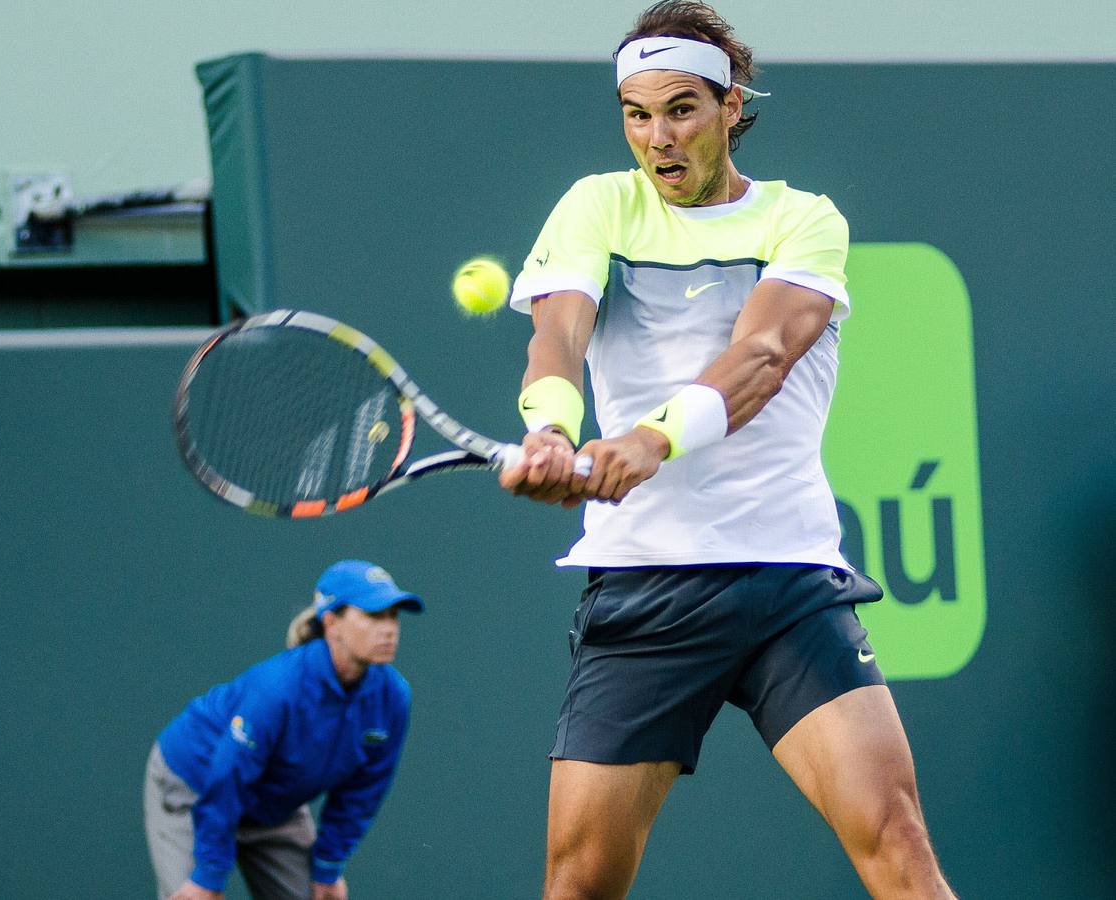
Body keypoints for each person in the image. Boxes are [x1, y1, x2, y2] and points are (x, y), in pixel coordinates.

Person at [499, 2, 956, 898]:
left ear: (730, 105)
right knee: (579, 882)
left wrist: (649, 441)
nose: (657, 138)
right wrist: (549, 427)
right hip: (644, 587)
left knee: (896, 841)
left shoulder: (802, 218)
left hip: (786, 583)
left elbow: (763, 357)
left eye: (681, 109)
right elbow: (556, 338)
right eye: (637, 114)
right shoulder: (597, 204)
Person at [143, 560, 422, 900]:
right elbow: (228, 777)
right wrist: (208, 875)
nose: (389, 629)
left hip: (273, 805)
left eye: (393, 616)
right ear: (331, 622)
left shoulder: (393, 697)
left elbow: (363, 791)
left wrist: (328, 865)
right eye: (374, 615)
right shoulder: (278, 688)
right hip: (196, 784)